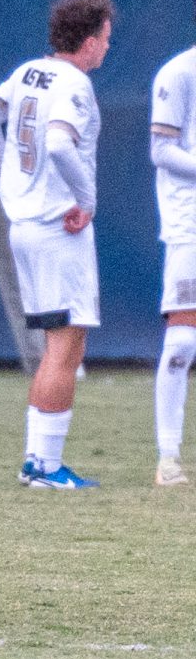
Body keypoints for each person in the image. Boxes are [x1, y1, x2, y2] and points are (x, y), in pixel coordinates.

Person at [0, 0, 114, 489]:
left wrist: (11, 174)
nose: (106, 49)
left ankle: (38, 462)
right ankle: (46, 467)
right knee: (65, 346)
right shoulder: (75, 82)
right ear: (91, 41)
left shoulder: (30, 71)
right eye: (107, 40)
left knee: (57, 342)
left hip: (26, 224)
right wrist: (87, 198)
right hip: (57, 227)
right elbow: (57, 141)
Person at [149, 41, 196, 485]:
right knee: (182, 343)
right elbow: (162, 151)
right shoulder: (179, 72)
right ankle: (169, 457)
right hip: (190, 227)